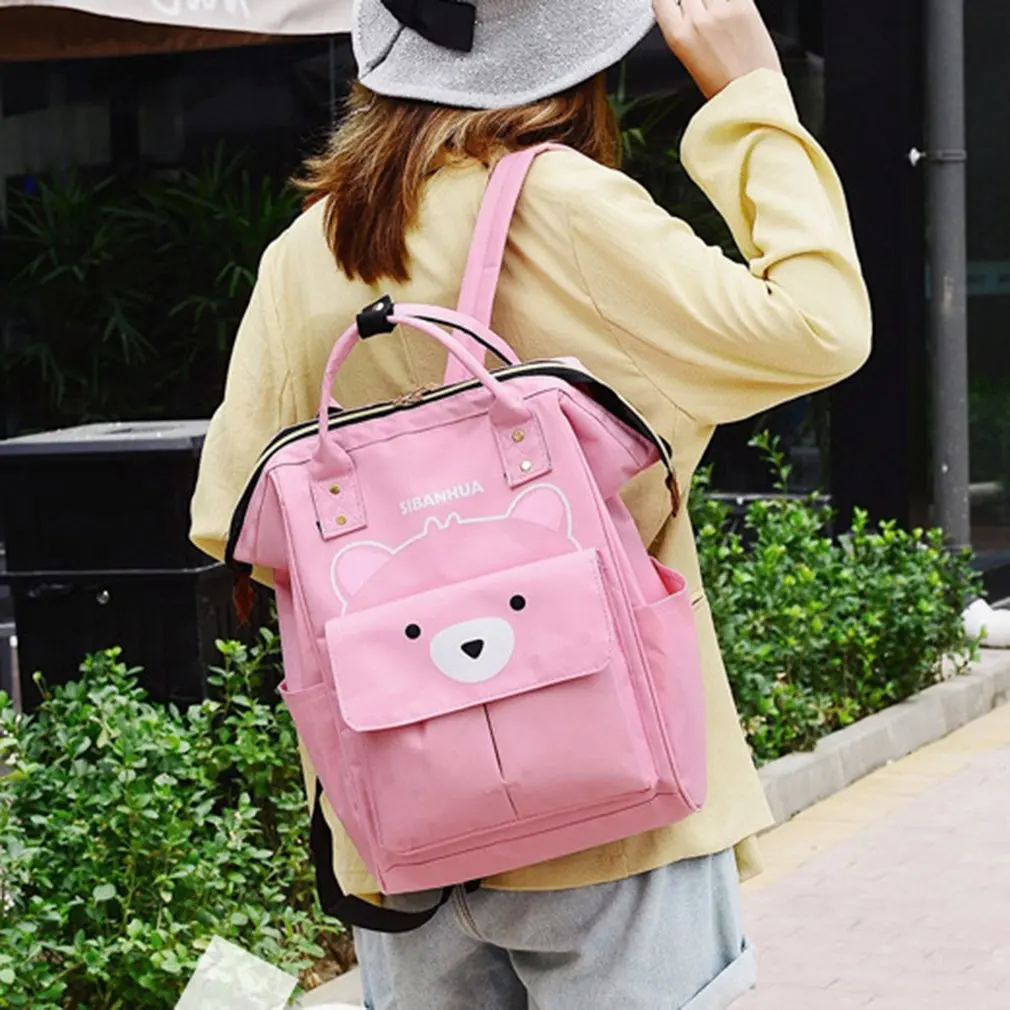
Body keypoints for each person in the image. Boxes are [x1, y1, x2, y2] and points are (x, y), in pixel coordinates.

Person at [190, 0, 871, 1006]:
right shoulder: (568, 207)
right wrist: (747, 97)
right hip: (612, 800)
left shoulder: (308, 251)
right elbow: (820, 328)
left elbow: (229, 518)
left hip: (406, 831)